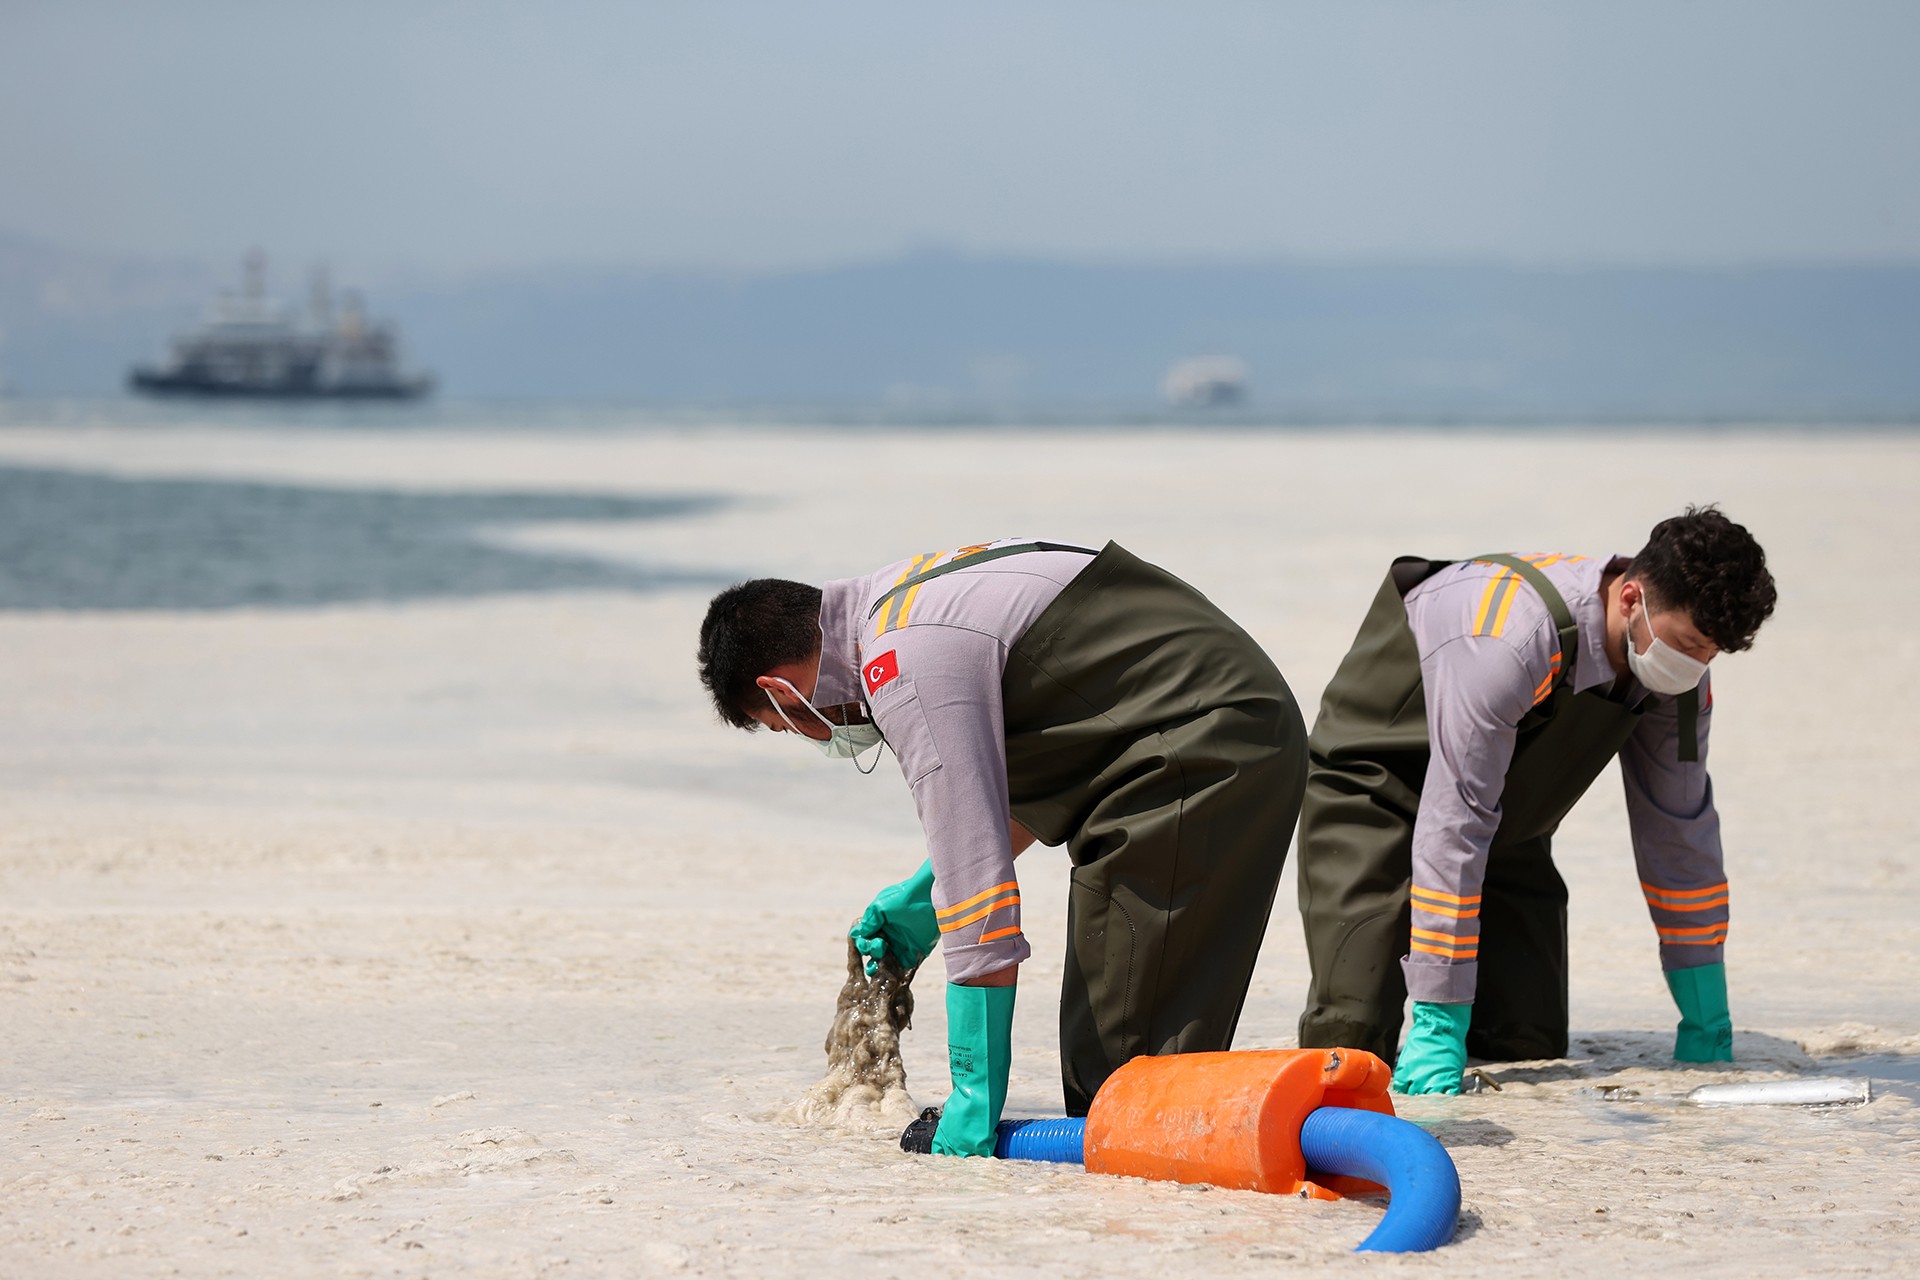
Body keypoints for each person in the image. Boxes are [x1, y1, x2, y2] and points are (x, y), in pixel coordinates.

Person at [697, 538, 1307, 1154]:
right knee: (1123, 1079)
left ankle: (1286, 1142)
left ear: (778, 688)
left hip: (1199, 749)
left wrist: (973, 1100)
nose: (812, 733)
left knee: (1123, 1090)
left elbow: (980, 898)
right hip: (1186, 734)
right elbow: (1057, 760)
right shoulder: (898, 602)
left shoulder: (900, 661)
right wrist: (925, 897)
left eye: (787, 723)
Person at [1295, 506, 1777, 1095]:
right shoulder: (1509, 636)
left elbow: (1679, 833)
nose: (1695, 666)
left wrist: (1705, 1009)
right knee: (1351, 1049)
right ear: (1631, 598)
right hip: (1375, 798)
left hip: (1508, 830)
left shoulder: (1677, 678)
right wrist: (1438, 1023)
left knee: (1528, 1042)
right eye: (1686, 644)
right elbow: (1454, 823)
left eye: (1711, 653)